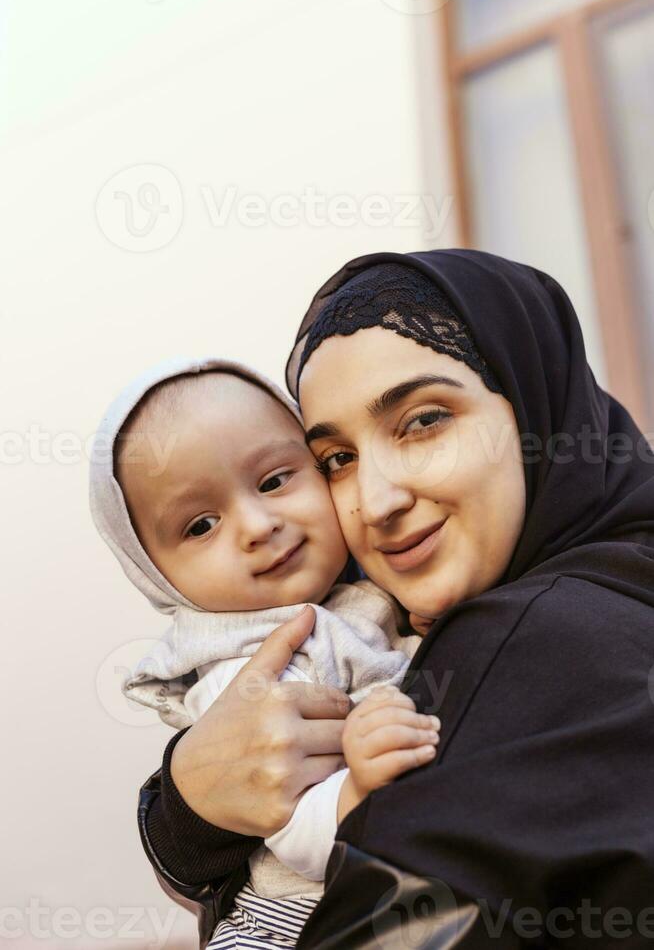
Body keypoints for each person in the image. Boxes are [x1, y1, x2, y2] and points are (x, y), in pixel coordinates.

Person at [135, 251, 654, 948]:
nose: (376, 502)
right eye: (336, 461)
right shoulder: (621, 573)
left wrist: (187, 817)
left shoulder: (525, 636)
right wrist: (188, 810)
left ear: (533, 400)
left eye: (423, 421)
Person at [89, 355, 429, 948]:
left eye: (274, 481)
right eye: (200, 526)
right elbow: (292, 828)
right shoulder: (248, 671)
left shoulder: (361, 593)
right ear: (159, 578)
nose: (256, 524)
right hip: (291, 923)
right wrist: (357, 789)